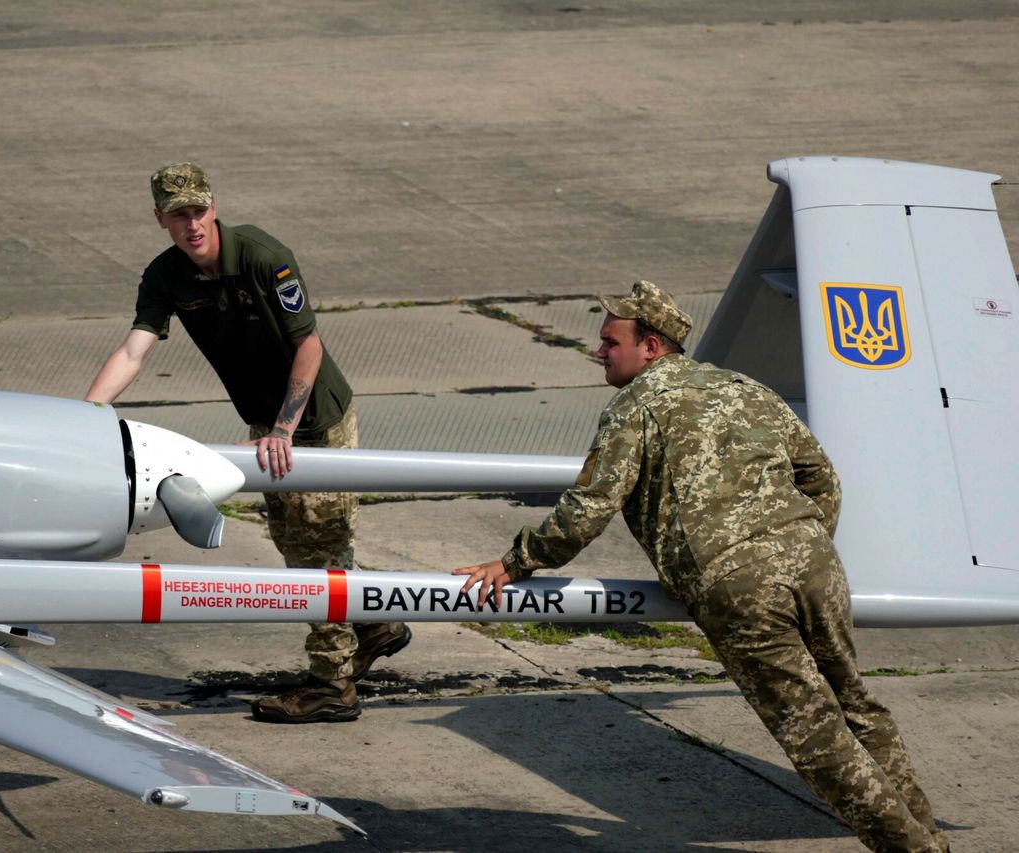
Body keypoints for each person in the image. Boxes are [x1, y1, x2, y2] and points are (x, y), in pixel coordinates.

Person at [453, 280, 948, 853]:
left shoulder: (635, 408)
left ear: (652, 348)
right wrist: (798, 539)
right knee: (856, 706)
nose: (599, 351)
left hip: (737, 586)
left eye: (611, 342)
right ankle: (927, 834)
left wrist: (518, 562)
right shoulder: (743, 389)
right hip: (814, 565)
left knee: (815, 734)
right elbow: (821, 476)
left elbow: (589, 507)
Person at [87, 162, 409, 723]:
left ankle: (332, 686)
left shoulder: (263, 257)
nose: (192, 224)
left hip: (316, 420)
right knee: (297, 545)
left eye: (199, 211)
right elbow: (135, 349)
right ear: (159, 217)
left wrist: (284, 428)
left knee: (317, 556)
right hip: (269, 425)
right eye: (179, 214)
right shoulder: (166, 276)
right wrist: (87, 415)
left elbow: (308, 344)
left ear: (214, 208)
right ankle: (372, 621)